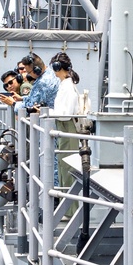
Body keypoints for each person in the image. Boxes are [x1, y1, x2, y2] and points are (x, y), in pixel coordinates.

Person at [50, 51, 81, 200]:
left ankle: (70, 210)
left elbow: (66, 114)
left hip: (67, 127)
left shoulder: (68, 87)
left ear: (57, 67)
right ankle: (66, 207)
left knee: (67, 167)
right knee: (63, 166)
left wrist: (48, 112)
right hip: (63, 126)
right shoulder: (65, 85)